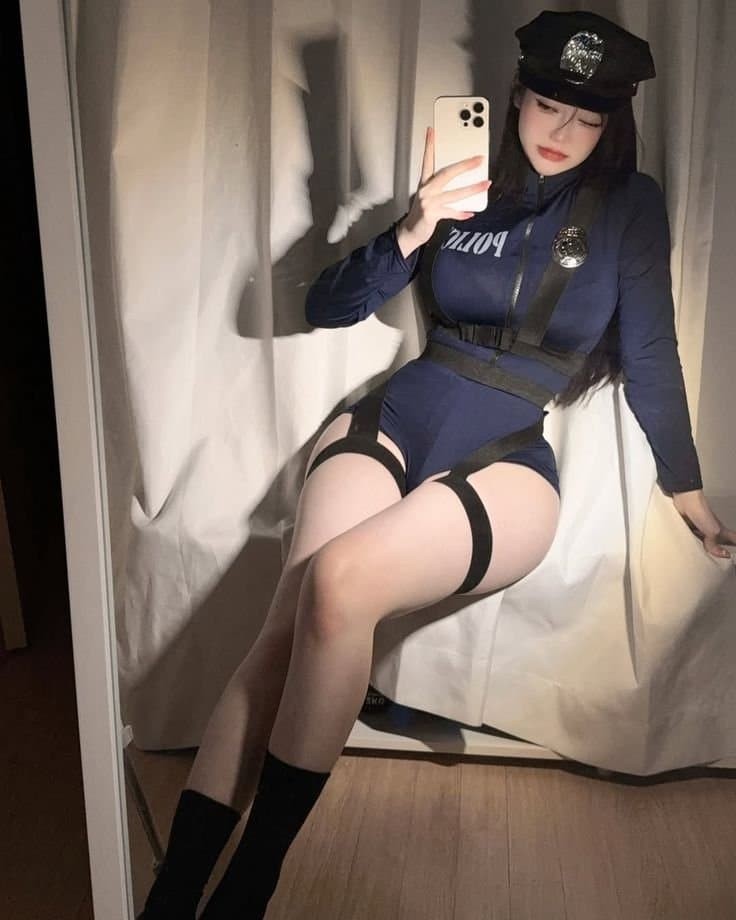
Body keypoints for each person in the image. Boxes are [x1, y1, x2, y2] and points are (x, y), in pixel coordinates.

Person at [139, 10, 736, 919]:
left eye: (589, 118)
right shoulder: (465, 184)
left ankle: (249, 885)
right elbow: (329, 306)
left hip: (508, 454)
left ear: (614, 124)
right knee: (282, 631)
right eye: (547, 105)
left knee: (338, 584)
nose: (563, 132)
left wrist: (686, 489)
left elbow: (651, 350)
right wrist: (415, 226)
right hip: (393, 420)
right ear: (516, 96)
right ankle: (173, 898)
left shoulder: (628, 204)